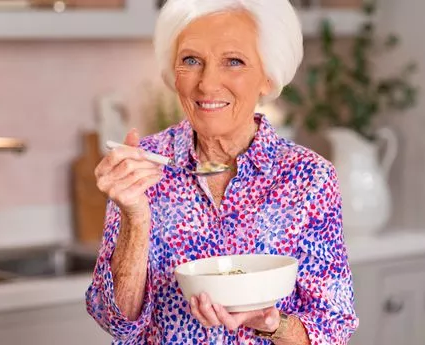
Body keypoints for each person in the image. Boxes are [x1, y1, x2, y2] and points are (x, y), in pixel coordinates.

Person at [85, 0, 359, 343]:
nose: (207, 84)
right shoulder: (144, 165)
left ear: (268, 76)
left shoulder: (308, 177)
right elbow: (116, 321)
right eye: (191, 61)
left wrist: (271, 323)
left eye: (234, 61)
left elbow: (332, 329)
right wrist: (135, 217)